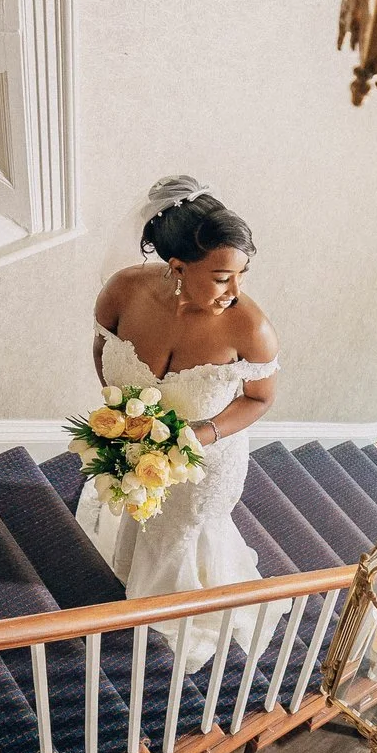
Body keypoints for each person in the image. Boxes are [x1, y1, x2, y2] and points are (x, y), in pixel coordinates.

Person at [81, 177, 279, 669]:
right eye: (220, 277)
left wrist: (200, 434)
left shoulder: (249, 327)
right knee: (139, 517)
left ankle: (171, 614)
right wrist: (124, 417)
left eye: (242, 274)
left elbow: (258, 398)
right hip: (136, 444)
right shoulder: (123, 292)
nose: (236, 291)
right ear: (176, 267)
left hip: (205, 464)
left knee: (183, 533)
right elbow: (103, 347)